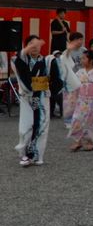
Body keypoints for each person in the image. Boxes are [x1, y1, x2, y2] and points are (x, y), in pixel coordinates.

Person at [12, 35, 61, 167]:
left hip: (42, 97)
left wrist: (51, 87)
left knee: (41, 126)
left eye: (37, 44)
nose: (34, 47)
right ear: (26, 46)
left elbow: (57, 78)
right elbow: (19, 62)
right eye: (31, 44)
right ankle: (24, 152)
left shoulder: (48, 61)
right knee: (26, 127)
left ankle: (35, 155)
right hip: (27, 98)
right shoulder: (21, 60)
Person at [66, 51, 93, 152]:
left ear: (91, 61)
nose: (81, 60)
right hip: (81, 101)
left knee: (92, 121)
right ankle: (78, 140)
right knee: (77, 119)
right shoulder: (79, 72)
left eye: (84, 58)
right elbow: (74, 84)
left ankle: (90, 141)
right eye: (81, 58)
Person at [59, 32, 84, 128]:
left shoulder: (84, 51)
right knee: (69, 100)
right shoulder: (67, 52)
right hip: (70, 79)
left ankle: (79, 118)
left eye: (81, 39)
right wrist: (69, 50)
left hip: (82, 77)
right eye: (78, 40)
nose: (80, 42)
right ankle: (68, 120)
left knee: (81, 100)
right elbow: (64, 60)